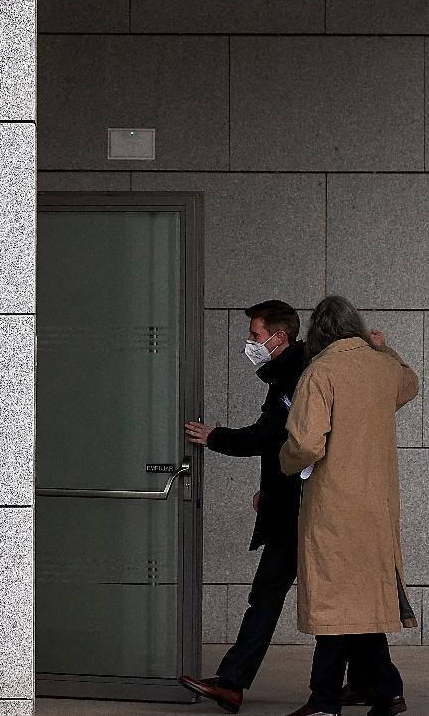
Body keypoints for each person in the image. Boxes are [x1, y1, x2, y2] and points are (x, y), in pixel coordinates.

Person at [278, 296, 419, 716]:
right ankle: (387, 690)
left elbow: (304, 444)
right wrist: (380, 347)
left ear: (317, 333)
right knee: (363, 603)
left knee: (334, 604)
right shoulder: (382, 369)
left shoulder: (320, 371)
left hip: (335, 506)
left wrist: (286, 463)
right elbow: (410, 381)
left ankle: (324, 701)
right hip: (377, 507)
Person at [178, 300, 313, 714]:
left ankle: (233, 682)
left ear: (280, 337)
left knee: (268, 595)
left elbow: (266, 436)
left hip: (299, 510)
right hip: (291, 502)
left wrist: (215, 436)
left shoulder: (295, 376)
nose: (250, 344)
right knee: (332, 595)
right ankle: (377, 683)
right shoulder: (292, 371)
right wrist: (268, 488)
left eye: (255, 336)